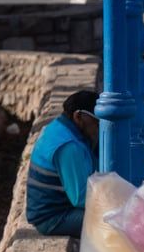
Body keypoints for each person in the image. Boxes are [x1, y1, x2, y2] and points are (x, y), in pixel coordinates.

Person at [25, 89, 100, 239]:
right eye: (96, 121)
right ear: (78, 116)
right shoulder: (69, 146)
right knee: (111, 222)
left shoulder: (61, 127)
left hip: (61, 207)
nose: (99, 126)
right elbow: (81, 198)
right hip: (53, 217)